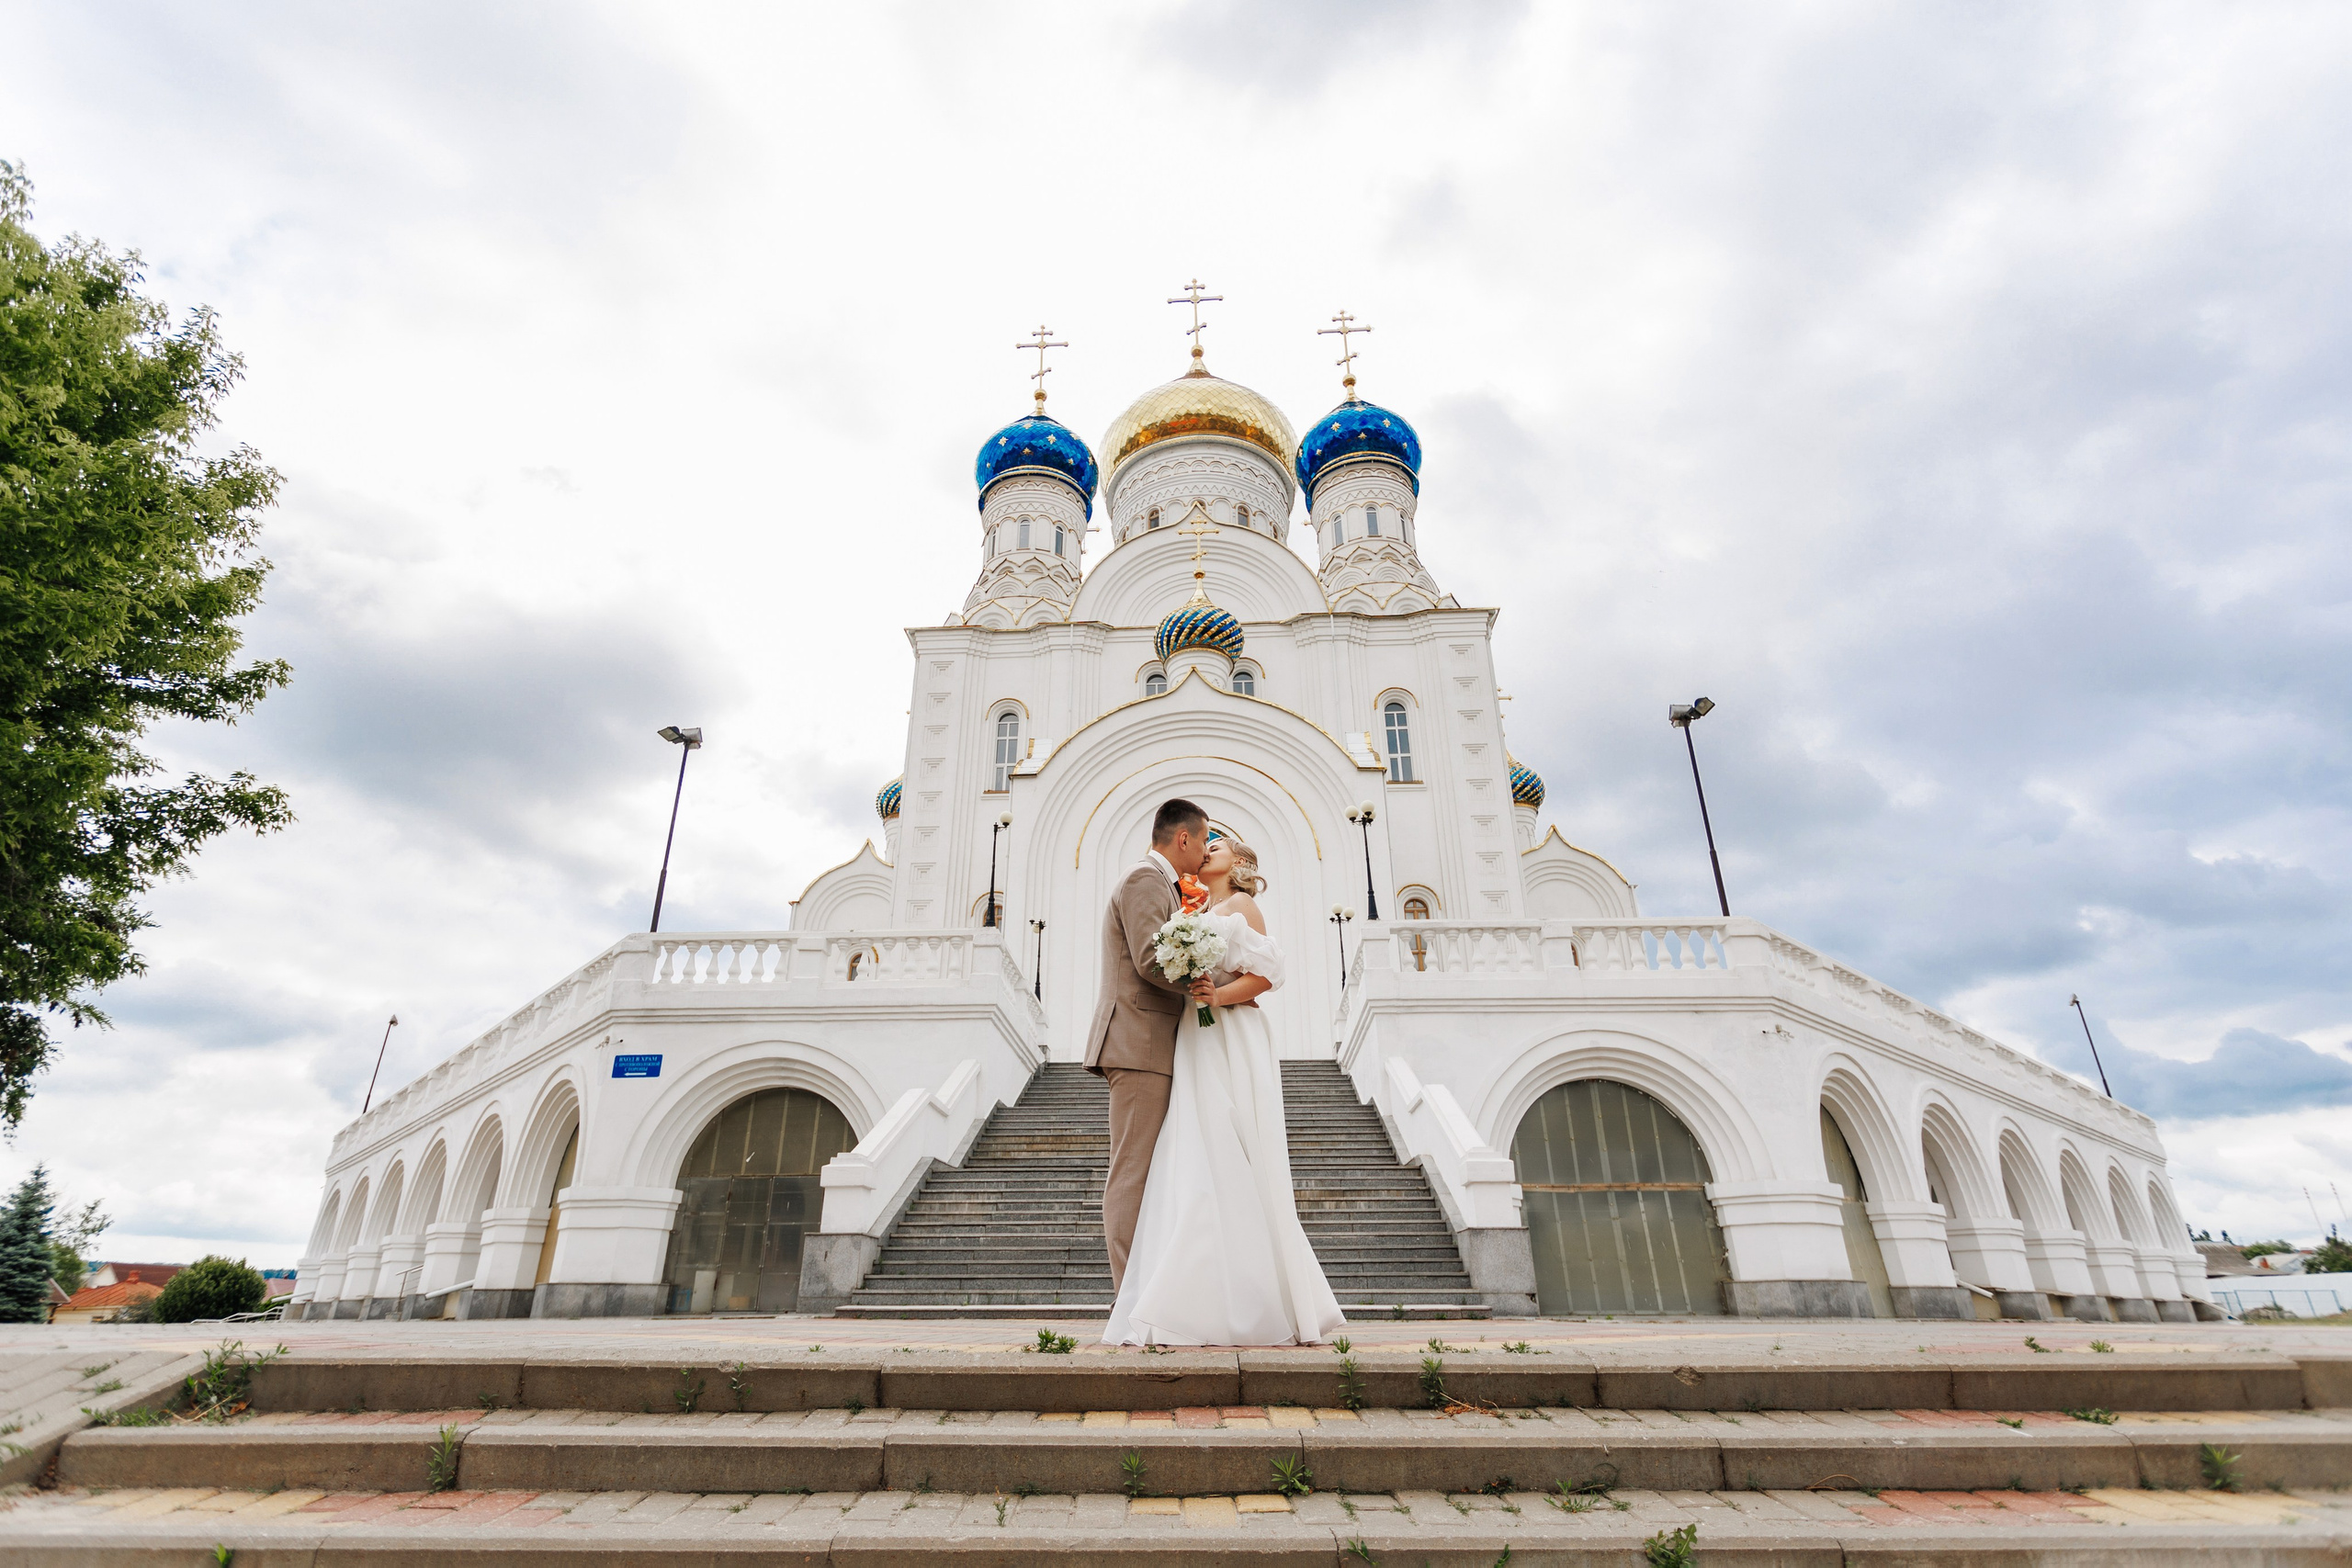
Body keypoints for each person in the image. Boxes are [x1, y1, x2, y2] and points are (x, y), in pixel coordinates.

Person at [1102, 831, 1346, 1346]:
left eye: (1222, 843)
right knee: (1195, 1153)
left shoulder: (1242, 905)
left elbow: (1265, 977)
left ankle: (1259, 1300)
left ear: (1240, 861)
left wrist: (1217, 996)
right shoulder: (1195, 910)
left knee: (1234, 1147)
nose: (1210, 846)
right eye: (1206, 841)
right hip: (1194, 1038)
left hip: (1230, 1035)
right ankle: (1198, 1297)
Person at [1083, 797, 1210, 1292]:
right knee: (1131, 1171)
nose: (1204, 852)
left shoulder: (1164, 885)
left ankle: (1146, 1290)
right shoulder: (1144, 880)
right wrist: (1205, 985)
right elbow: (1149, 959)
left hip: (1152, 1043)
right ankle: (1128, 1300)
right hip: (1138, 1043)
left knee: (1143, 1170)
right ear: (1183, 838)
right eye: (1203, 841)